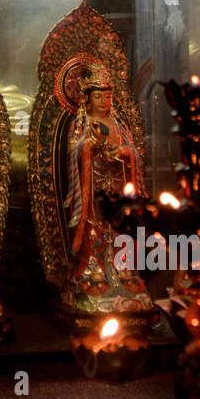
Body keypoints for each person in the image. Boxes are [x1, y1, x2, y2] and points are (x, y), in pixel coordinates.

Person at [60, 64, 153, 315]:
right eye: (98, 96)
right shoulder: (81, 123)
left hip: (117, 189)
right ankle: (92, 274)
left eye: (108, 96)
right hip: (92, 194)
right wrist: (89, 147)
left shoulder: (117, 123)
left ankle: (125, 274)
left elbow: (133, 152)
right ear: (86, 98)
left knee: (121, 233)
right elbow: (73, 153)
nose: (104, 101)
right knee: (94, 233)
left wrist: (122, 154)